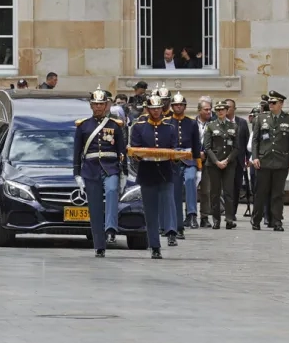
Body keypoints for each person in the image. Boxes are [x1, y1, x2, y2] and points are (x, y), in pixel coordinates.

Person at [73, 87, 127, 257]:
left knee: (112, 190)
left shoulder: (115, 126)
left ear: (106, 105)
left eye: (101, 104)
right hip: (90, 169)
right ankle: (99, 245)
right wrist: (77, 175)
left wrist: (124, 173)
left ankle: (110, 227)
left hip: (110, 167)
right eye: (95, 104)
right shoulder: (83, 126)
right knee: (95, 208)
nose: (98, 107)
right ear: (91, 106)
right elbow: (76, 152)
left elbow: (121, 151)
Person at [129, 95, 178, 259]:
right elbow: (134, 150)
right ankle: (155, 245)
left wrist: (176, 156)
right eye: (153, 109)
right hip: (147, 172)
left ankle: (171, 231)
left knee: (168, 204)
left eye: (158, 108)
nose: (156, 111)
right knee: (150, 212)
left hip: (165, 171)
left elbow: (175, 148)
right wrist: (138, 155)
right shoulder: (139, 127)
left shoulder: (169, 128)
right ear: (147, 109)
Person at [250, 90, 289, 231]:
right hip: (264, 161)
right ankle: (256, 219)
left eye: (274, 102)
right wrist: (255, 156)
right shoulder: (261, 118)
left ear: (281, 104)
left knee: (278, 193)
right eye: (270, 102)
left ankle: (277, 221)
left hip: (281, 161)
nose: (270, 105)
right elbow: (255, 140)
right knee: (260, 192)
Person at [167, 92, 200, 237]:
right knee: (175, 189)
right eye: (176, 105)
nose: (178, 107)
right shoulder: (167, 122)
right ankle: (176, 217)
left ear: (185, 106)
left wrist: (198, 161)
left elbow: (196, 143)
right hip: (173, 160)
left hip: (188, 158)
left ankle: (192, 214)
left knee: (191, 179)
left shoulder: (191, 123)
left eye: (180, 105)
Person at [202, 101, 238, 229]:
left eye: (223, 109)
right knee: (215, 193)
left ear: (227, 110)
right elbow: (207, 147)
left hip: (229, 163)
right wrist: (217, 162)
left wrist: (227, 161)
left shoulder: (233, 126)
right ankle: (216, 220)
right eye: (218, 110)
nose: (220, 112)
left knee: (228, 192)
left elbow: (236, 147)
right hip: (214, 164)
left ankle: (229, 219)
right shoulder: (211, 126)